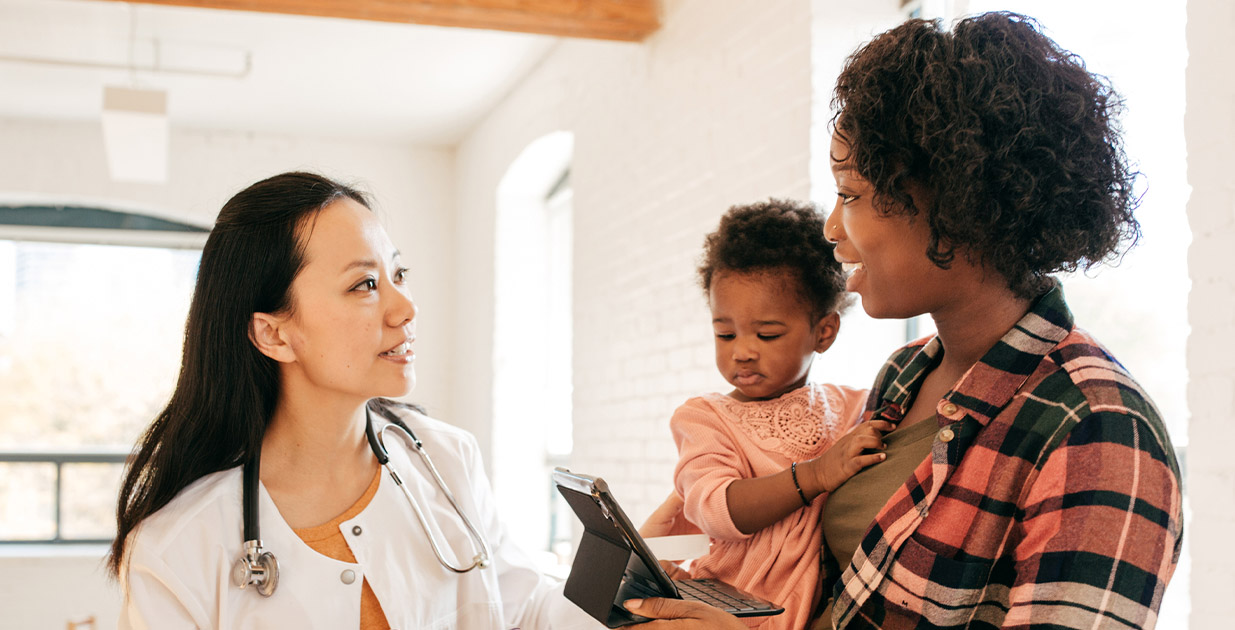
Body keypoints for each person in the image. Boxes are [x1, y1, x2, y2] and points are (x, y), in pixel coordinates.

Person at [627, 12, 1183, 629]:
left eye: (852, 194)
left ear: (955, 200)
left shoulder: (1099, 428)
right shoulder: (904, 375)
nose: (832, 230)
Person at [108, 172, 599, 629]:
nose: (405, 308)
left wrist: (621, 580)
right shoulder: (176, 548)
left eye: (398, 274)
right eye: (364, 284)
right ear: (274, 334)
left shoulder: (447, 461)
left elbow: (526, 613)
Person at [668, 200, 891, 630]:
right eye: (724, 333)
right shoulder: (706, 418)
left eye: (767, 334)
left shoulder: (851, 406)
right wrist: (815, 475)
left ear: (823, 332)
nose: (742, 350)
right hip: (728, 610)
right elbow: (715, 508)